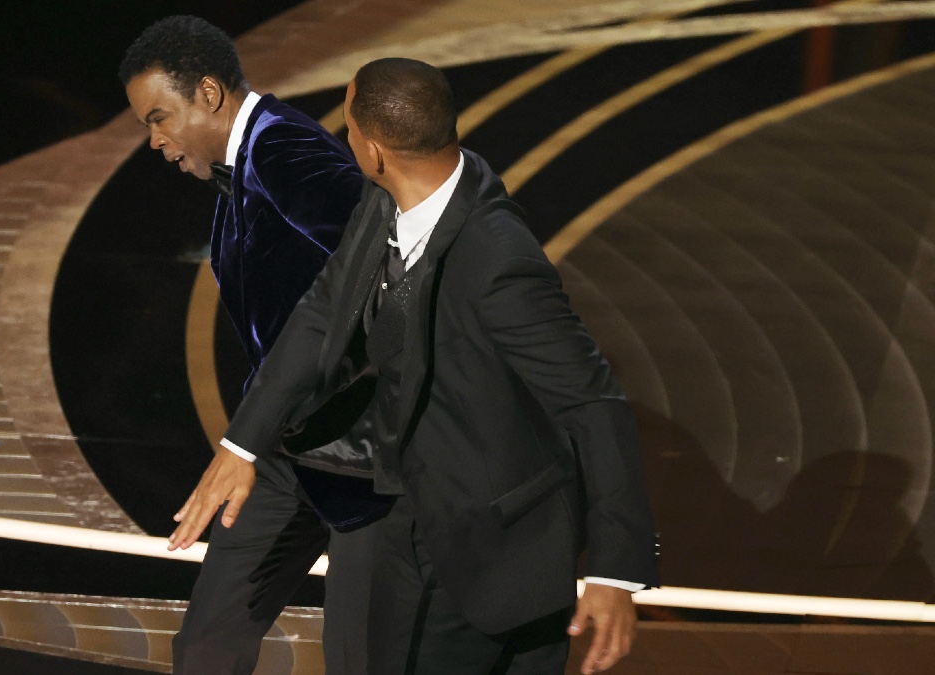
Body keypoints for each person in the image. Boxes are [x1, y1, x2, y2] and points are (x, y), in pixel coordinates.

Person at [169, 58, 660, 674]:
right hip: (404, 529)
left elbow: (594, 404)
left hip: (491, 555)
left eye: (348, 129)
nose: (343, 142)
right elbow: (324, 307)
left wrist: (616, 570)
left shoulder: (498, 262)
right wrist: (242, 444)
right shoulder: (387, 201)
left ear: (373, 151)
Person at [119, 16, 385, 675]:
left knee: (364, 658)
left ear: (208, 94)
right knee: (207, 645)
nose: (155, 141)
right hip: (285, 449)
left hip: (368, 454)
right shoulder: (242, 170)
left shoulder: (283, 151)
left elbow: (383, 262)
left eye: (160, 118)